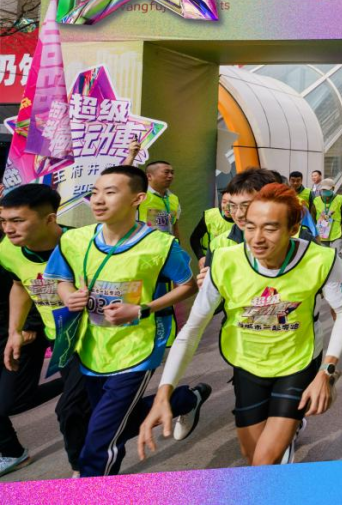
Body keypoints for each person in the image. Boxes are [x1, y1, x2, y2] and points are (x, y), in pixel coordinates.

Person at [139, 183, 342, 466]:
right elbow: (192, 329)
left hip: (297, 363)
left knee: (263, 461)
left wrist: (327, 371)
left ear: (293, 228)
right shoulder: (225, 261)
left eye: (270, 228)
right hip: (247, 364)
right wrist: (164, 393)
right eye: (251, 227)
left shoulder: (321, 259)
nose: (257, 238)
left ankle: (289, 434)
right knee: (252, 457)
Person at [47, 166, 209, 477]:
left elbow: (187, 285)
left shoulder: (160, 245)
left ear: (138, 198)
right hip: (90, 349)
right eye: (95, 192)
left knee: (101, 440)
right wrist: (69, 296)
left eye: (110, 192)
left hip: (136, 351)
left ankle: (95, 486)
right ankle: (183, 399)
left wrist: (141, 309)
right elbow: (61, 279)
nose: (98, 200)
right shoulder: (73, 240)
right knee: (113, 421)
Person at [1, 185, 91, 477]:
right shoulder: (6, 250)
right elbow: (19, 285)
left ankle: (83, 472)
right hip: (62, 338)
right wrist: (15, 331)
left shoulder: (85, 244)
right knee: (96, 407)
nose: (8, 229)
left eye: (17, 221)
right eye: (4, 221)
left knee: (70, 410)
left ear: (50, 219)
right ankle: (183, 400)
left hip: (100, 336)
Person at [137, 161, 181, 239]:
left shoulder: (174, 198)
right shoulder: (139, 195)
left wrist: (177, 245)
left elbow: (175, 227)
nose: (170, 176)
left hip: (167, 245)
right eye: (166, 172)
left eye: (172, 173)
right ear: (149, 176)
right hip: (143, 245)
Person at [188, 191, 233, 261]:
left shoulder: (243, 221)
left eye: (231, 203)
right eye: (224, 202)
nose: (227, 207)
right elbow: (194, 238)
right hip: (211, 261)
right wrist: (201, 257)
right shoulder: (210, 217)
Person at [311, 179, 342, 259]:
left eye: (327, 190)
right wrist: (314, 231)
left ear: (333, 188)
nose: (325, 192)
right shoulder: (316, 200)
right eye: (323, 190)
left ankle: (338, 267)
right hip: (321, 232)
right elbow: (312, 216)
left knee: (336, 255)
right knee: (324, 256)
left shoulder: (340, 199)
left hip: (336, 232)